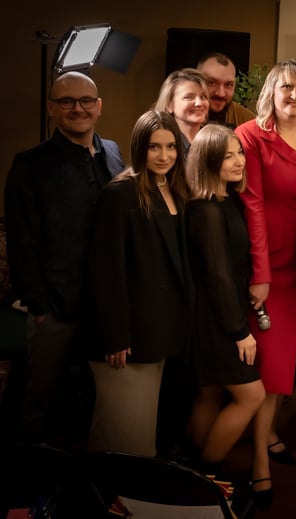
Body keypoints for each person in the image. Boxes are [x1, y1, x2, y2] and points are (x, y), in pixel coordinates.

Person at [5, 71, 124, 446]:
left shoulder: (113, 153)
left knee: (92, 400)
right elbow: (21, 242)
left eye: (86, 100)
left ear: (99, 106)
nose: (78, 108)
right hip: (55, 307)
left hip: (103, 307)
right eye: (67, 101)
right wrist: (40, 307)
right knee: (40, 401)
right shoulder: (30, 164)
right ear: (52, 108)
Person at [235, 58, 296, 504]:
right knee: (270, 369)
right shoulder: (251, 135)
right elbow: (252, 204)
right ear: (271, 91)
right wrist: (260, 274)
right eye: (286, 87)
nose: (295, 95)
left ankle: (270, 432)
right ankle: (258, 463)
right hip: (270, 264)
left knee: (289, 362)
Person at [88, 111, 191, 456]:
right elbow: (106, 271)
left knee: (143, 435)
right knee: (123, 438)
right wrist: (116, 336)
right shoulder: (120, 193)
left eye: (171, 146)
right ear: (138, 148)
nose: (164, 156)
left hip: (162, 330)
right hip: (128, 337)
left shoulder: (175, 190)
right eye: (153, 147)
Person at [184, 124, 266, 483]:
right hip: (215, 320)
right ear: (207, 161)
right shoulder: (206, 209)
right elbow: (218, 278)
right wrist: (239, 331)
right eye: (227, 156)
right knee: (252, 395)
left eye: (239, 153)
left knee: (210, 392)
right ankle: (209, 471)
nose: (238, 161)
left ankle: (192, 472)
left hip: (214, 315)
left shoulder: (225, 200)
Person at [197, 52, 256, 129]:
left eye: (228, 84)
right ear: (196, 81)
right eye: (212, 82)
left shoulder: (247, 120)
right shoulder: (183, 117)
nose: (221, 93)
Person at [155, 68, 210, 145]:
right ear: (169, 105)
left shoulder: (215, 141)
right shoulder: (159, 141)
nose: (199, 103)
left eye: (203, 97)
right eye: (189, 97)